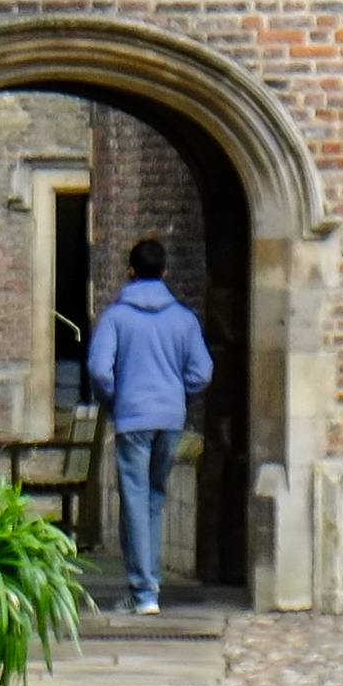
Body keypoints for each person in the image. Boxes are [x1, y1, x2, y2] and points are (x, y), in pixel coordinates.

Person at [79, 238, 213, 615]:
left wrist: (114, 398)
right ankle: (149, 581)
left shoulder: (116, 318)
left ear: (130, 273)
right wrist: (178, 396)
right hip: (170, 419)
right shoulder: (184, 319)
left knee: (135, 500)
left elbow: (98, 370)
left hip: (133, 418)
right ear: (165, 273)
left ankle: (143, 591)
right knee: (154, 498)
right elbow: (202, 372)